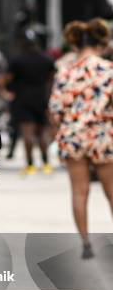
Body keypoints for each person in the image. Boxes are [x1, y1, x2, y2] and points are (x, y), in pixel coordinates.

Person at [49, 19, 113, 258]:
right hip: (103, 135)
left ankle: (86, 244)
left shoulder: (66, 71)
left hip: (73, 136)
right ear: (101, 43)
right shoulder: (108, 70)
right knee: (111, 192)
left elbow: (55, 110)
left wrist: (68, 126)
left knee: (79, 191)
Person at [7, 30, 55, 175]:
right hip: (42, 99)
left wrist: (7, 92)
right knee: (42, 133)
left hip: (23, 99)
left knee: (27, 133)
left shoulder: (17, 59)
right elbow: (52, 79)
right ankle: (46, 164)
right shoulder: (47, 59)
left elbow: (7, 78)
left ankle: (30, 165)